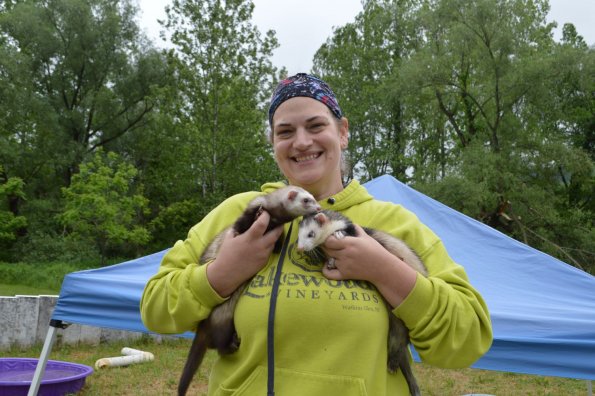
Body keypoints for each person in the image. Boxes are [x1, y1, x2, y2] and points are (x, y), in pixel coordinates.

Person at [140, 73, 493, 395]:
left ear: (342, 131)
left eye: (315, 125)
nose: (301, 142)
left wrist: (386, 271)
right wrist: (220, 274)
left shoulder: (395, 223)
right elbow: (155, 309)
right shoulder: (238, 213)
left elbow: (468, 339)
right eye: (285, 132)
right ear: (273, 142)